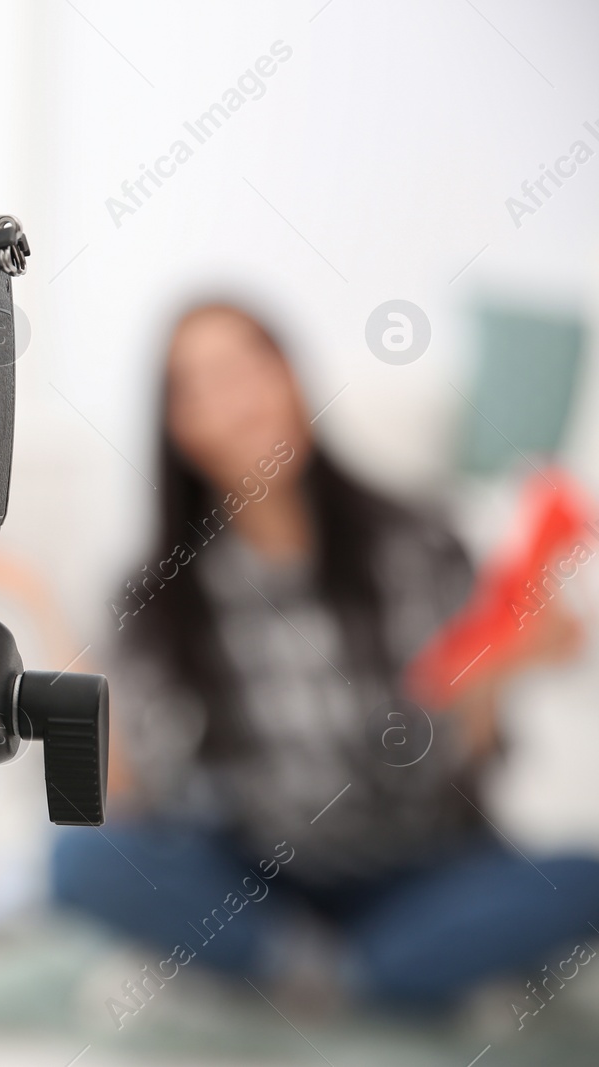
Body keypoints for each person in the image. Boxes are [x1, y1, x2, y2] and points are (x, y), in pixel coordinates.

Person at [51, 301, 599, 1014]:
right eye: (203, 382)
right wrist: (41, 608)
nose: (237, 395)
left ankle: (325, 980)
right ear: (179, 423)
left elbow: (466, 761)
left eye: (251, 365)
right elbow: (131, 801)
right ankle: (367, 976)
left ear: (292, 378)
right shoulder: (155, 593)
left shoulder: (419, 539)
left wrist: (498, 667)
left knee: (582, 879)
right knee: (81, 861)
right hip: (258, 879)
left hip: (424, 865)